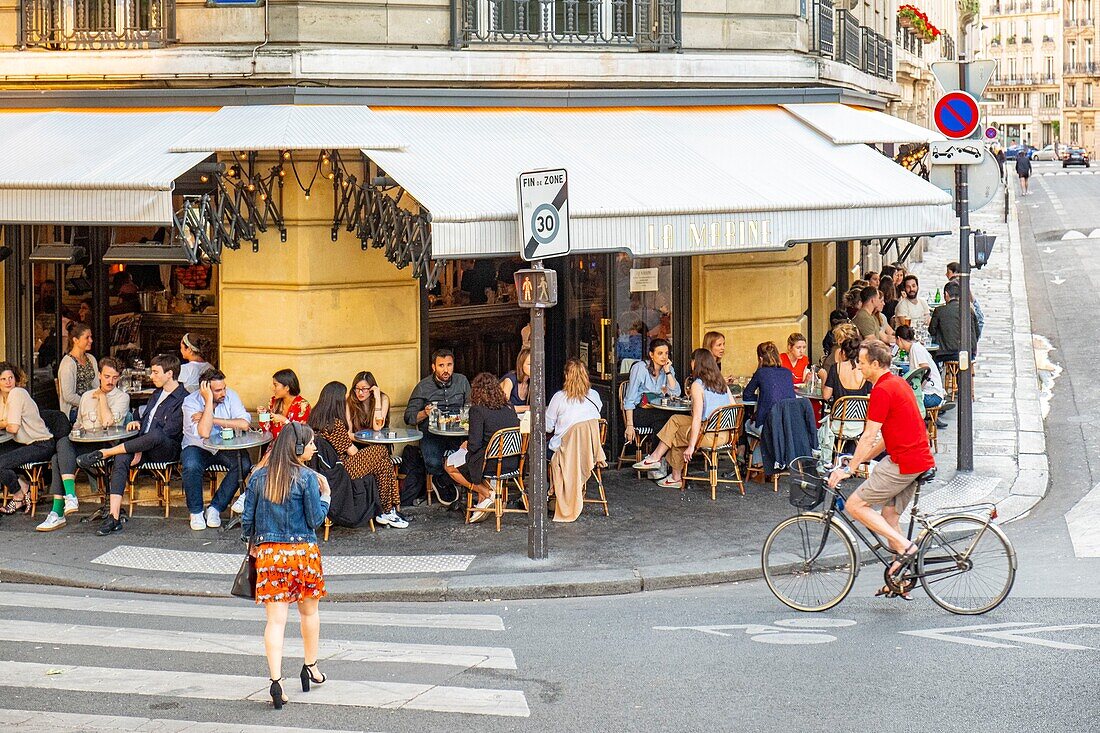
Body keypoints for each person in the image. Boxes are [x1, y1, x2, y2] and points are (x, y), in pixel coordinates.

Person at [827, 339, 936, 598]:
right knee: (888, 517)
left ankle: (906, 547)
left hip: (903, 462)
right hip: (917, 458)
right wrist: (862, 460)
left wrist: (849, 469)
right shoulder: (898, 383)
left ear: (876, 364)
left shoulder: (882, 391)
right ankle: (901, 576)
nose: (859, 368)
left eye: (863, 364)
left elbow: (868, 436)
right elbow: (887, 437)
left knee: (855, 505)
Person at [241, 422, 331, 710]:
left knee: (275, 622)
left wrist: (256, 542)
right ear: (300, 447)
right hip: (303, 555)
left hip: (270, 556)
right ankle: (310, 666)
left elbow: (246, 524)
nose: (315, 447)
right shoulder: (308, 479)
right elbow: (315, 520)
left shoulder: (257, 477)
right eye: (311, 443)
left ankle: (276, 682)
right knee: (309, 614)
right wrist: (326, 495)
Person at [76, 353, 187, 536]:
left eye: (155, 372)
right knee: (122, 457)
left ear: (169, 374)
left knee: (156, 435)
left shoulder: (183, 398)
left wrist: (140, 444)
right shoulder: (157, 393)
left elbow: (168, 433)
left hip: (167, 449)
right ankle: (114, 516)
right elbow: (146, 419)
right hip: (145, 446)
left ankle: (105, 452)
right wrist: (137, 423)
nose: (151, 376)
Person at [36, 357, 131, 532]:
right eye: (107, 376)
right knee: (62, 444)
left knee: (58, 459)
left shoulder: (122, 397)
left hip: (105, 446)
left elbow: (109, 423)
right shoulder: (86, 396)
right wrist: (76, 430)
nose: (111, 381)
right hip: (86, 442)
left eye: (115, 377)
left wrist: (102, 398)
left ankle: (57, 512)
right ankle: (70, 496)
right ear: (99, 375)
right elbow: (79, 423)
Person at [632, 349, 734, 489]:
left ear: (695, 363)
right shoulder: (722, 383)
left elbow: (697, 417)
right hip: (725, 434)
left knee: (677, 434)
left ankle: (673, 475)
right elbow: (734, 408)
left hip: (710, 435)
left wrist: (691, 446)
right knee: (675, 420)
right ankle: (656, 459)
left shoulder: (697, 385)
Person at [310, 381, 406, 529]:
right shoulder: (335, 425)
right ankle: (386, 510)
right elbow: (352, 452)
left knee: (382, 463)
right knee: (381, 451)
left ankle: (385, 511)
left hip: (329, 469)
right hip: (342, 470)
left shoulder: (315, 420)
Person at [180, 368, 252, 531]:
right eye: (218, 390)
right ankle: (196, 512)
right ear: (204, 390)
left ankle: (216, 508)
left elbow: (244, 424)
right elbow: (204, 433)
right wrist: (208, 403)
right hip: (197, 446)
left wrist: (214, 419)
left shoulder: (230, 396)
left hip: (224, 446)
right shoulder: (190, 402)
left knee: (244, 464)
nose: (224, 393)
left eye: (224, 388)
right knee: (191, 465)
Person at [445, 373, 520, 523]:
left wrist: (466, 445)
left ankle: (487, 493)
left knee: (449, 465)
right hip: (512, 462)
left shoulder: (477, 410)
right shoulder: (509, 407)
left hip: (491, 464)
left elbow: (474, 446)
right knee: (471, 460)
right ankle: (482, 503)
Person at [404, 349, 471, 506]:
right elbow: (408, 417)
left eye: (449, 365)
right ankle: (441, 479)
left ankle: (444, 480)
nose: (446, 370)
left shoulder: (462, 381)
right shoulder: (423, 387)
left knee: (467, 459)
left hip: (458, 432)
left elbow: (471, 407)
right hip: (432, 433)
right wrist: (425, 412)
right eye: (441, 365)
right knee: (433, 462)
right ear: (433, 367)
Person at [0, 362, 56, 515]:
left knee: (1, 463)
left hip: (41, 444)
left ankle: (19, 494)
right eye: (3, 379)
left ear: (16, 378)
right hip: (25, 444)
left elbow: (13, 428)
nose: (8, 382)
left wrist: (4, 423)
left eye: (10, 377)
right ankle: (24, 487)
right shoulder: (3, 398)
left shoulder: (17, 393)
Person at [622, 338, 681, 445]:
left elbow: (676, 393)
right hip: (639, 411)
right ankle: (657, 457)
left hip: (659, 411)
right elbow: (629, 399)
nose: (664, 357)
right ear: (651, 355)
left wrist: (667, 372)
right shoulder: (640, 368)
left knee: (662, 423)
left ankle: (654, 457)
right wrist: (629, 425)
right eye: (660, 353)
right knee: (671, 418)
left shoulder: (668, 369)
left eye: (666, 353)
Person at [545, 359, 603, 455]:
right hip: (589, 451)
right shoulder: (594, 395)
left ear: (566, 376)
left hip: (565, 452)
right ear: (586, 376)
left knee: (537, 449)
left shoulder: (559, 397)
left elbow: (548, 427)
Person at [895, 325, 947, 427]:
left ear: (899, 339)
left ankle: (914, 426)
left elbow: (925, 368)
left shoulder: (916, 349)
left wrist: (919, 387)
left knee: (900, 402)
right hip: (931, 393)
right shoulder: (914, 348)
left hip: (932, 395)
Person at [744, 342, 796, 437]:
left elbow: (747, 395)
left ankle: (749, 450)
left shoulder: (760, 373)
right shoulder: (787, 372)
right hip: (788, 426)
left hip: (768, 426)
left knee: (747, 423)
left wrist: (763, 397)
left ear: (760, 359)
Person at [928, 280, 979, 366]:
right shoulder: (969, 310)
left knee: (931, 361)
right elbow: (977, 332)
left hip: (946, 353)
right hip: (968, 352)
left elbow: (931, 331)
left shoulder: (940, 310)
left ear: (946, 294)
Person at [57, 322, 99, 422]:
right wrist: (89, 403)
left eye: (91, 337)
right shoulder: (68, 363)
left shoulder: (91, 359)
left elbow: (96, 386)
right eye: (87, 337)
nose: (91, 340)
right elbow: (69, 396)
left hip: (93, 406)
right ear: (75, 340)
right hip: (75, 410)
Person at [822, 332, 871, 405]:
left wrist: (823, 377)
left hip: (839, 415)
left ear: (844, 352)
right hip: (861, 415)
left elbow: (826, 396)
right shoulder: (866, 369)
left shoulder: (835, 368)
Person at [945, 262, 985, 337]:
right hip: (973, 304)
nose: (946, 274)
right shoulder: (961, 279)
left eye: (948, 272)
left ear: (955, 273)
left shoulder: (955, 281)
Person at [269, 369, 311, 440]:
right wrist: (263, 414)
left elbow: (302, 434)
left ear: (287, 387)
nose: (273, 388)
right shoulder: (273, 402)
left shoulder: (303, 406)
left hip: (292, 447)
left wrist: (285, 421)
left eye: (275, 385)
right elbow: (267, 429)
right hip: (274, 446)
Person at [499, 348, 531, 413]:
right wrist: (527, 408)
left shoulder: (531, 382)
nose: (533, 367)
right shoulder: (510, 380)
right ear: (521, 365)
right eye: (529, 364)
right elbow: (503, 407)